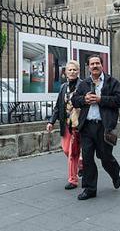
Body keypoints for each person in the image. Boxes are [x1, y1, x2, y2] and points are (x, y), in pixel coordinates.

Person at [71, 54, 120, 200]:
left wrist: (101, 99)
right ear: (88, 67)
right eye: (92, 64)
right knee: (87, 158)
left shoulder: (112, 82)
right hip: (87, 127)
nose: (94, 66)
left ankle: (115, 173)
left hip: (104, 126)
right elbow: (74, 100)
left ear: (102, 65)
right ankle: (89, 189)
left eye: (97, 63)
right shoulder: (83, 84)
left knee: (105, 157)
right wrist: (84, 99)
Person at [47, 60, 83, 189]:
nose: (72, 72)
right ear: (66, 72)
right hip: (66, 124)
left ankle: (73, 180)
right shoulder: (63, 87)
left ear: (78, 71)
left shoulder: (83, 85)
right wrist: (51, 121)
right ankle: (81, 164)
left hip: (78, 125)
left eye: (74, 70)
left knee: (73, 152)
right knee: (67, 150)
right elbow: (58, 106)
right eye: (70, 70)